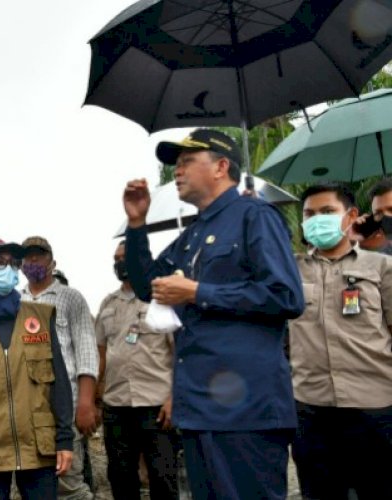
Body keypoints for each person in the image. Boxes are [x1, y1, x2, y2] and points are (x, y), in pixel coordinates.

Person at [122, 129, 304, 500]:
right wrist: (137, 225)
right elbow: (147, 286)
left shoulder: (255, 216)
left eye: (188, 161)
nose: (177, 170)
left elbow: (286, 295)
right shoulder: (193, 233)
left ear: (221, 166)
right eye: (176, 163)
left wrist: (198, 291)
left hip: (247, 409)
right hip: (200, 406)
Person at [289, 183, 392, 498]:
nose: (317, 220)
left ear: (351, 216)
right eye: (309, 214)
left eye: (327, 212)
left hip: (375, 408)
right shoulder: (289, 271)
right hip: (311, 409)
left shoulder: (381, 267)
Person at [0, 238, 74, 499]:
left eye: (13, 264)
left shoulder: (40, 316)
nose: (9, 269)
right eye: (0, 262)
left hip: (38, 446)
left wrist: (65, 440)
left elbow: (60, 384)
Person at [96, 240, 178, 499]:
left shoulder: (162, 300)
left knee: (162, 479)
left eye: (125, 256)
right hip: (116, 406)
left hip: (155, 406)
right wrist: (97, 398)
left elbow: (179, 354)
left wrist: (173, 398)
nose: (120, 262)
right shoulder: (108, 304)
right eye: (116, 258)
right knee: (121, 479)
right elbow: (101, 353)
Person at [19, 236, 98, 500]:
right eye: (27, 256)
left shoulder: (71, 298)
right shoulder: (15, 302)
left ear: (52, 262)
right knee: (31, 482)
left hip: (64, 406)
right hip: (26, 408)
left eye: (39, 256)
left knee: (68, 484)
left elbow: (87, 353)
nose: (33, 261)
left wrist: (86, 403)